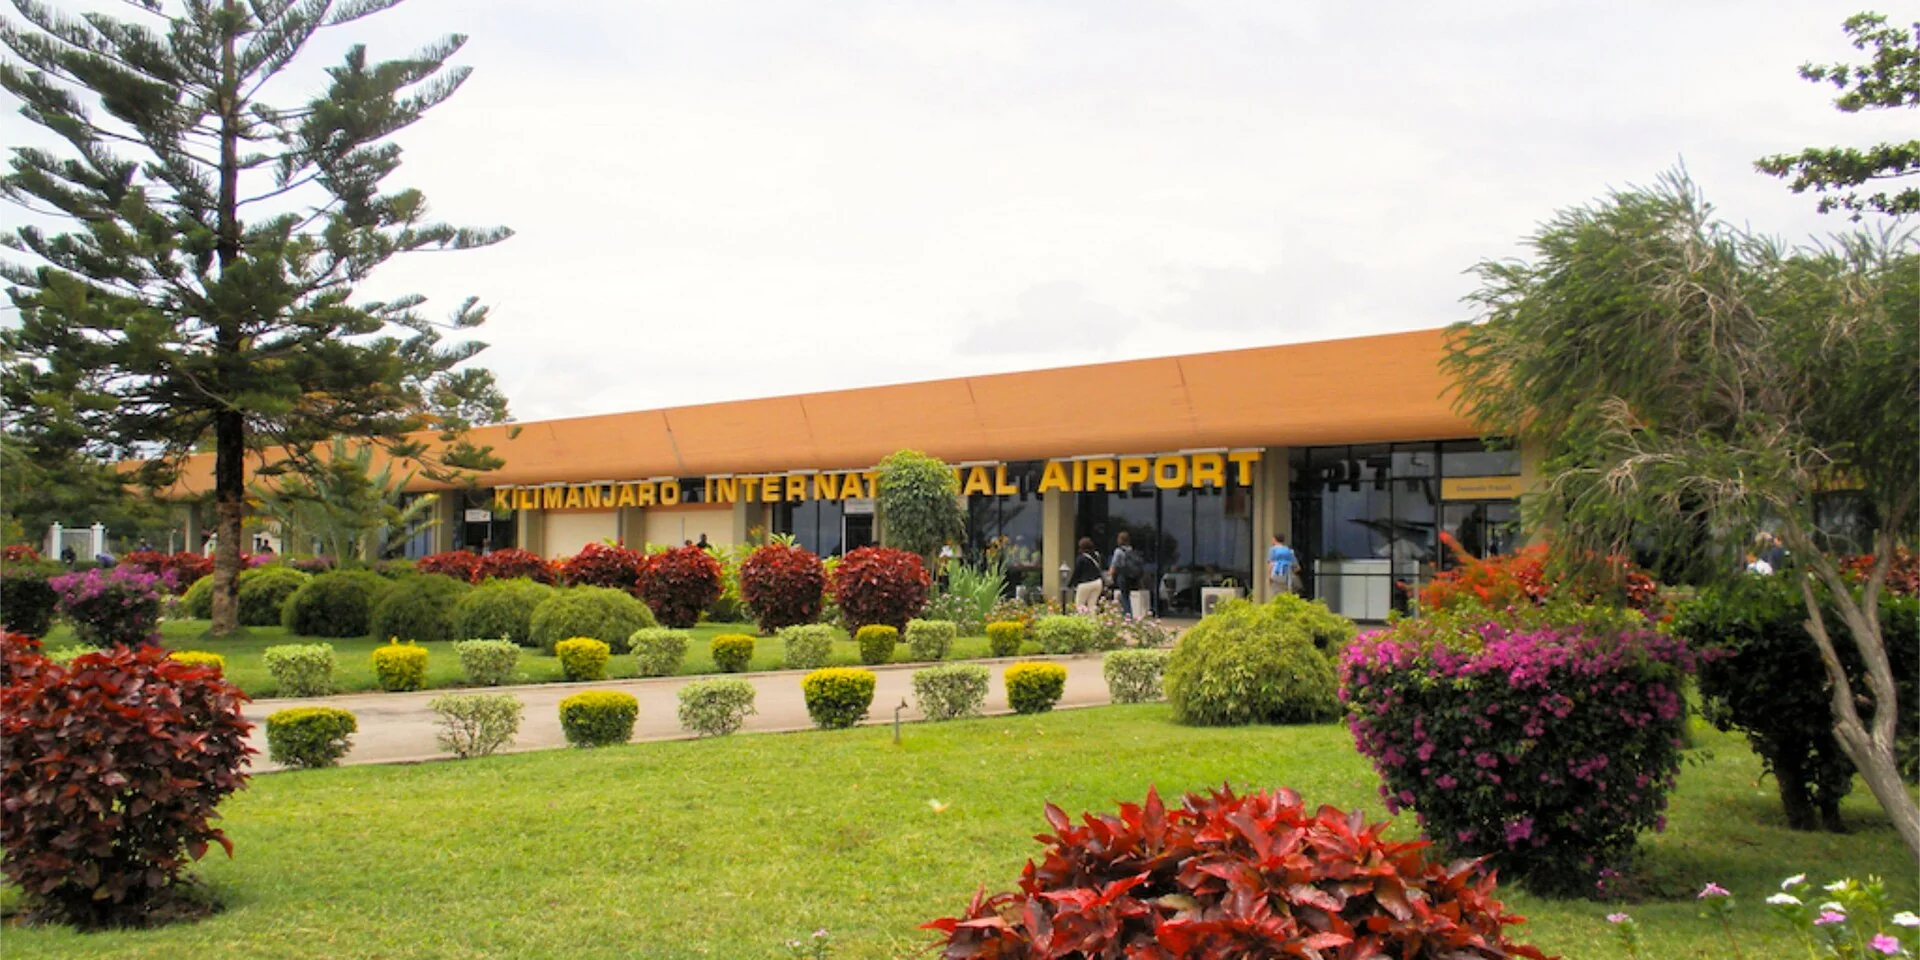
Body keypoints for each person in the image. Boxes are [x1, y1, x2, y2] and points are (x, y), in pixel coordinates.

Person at [1107, 531, 1144, 618]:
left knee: (1124, 596)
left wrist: (1109, 575)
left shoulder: (1118, 551)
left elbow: (1114, 564)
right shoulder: (1131, 550)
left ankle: (1127, 615)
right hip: (1131, 577)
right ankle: (1127, 614)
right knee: (1127, 595)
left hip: (1122, 576)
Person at [1070, 537, 1106, 612]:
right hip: (1097, 582)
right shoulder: (1097, 556)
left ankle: (1082, 621)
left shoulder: (1081, 558)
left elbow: (1077, 573)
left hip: (1085, 583)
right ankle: (1093, 621)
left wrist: (1070, 584)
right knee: (1092, 605)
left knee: (1080, 605)